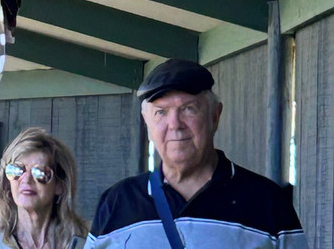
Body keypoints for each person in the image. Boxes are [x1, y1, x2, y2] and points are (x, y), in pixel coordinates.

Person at [90, 58, 307, 248]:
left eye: (188, 109)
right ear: (146, 122)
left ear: (215, 115)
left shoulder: (267, 202)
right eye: (161, 112)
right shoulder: (117, 203)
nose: (174, 124)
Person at [0, 127, 89, 249]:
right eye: (16, 170)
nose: (26, 179)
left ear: (60, 185)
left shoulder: (84, 242)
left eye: (40, 172)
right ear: (7, 182)